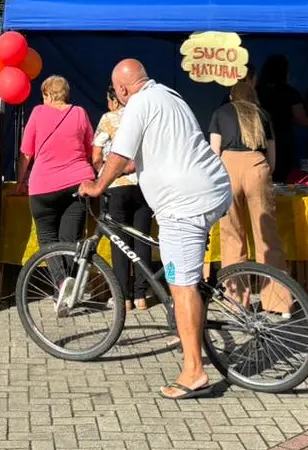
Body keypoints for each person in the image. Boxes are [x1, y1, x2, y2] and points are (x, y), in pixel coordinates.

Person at [80, 60, 231, 402]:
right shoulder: (169, 95)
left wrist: (98, 185)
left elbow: (119, 154)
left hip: (184, 203)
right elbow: (158, 150)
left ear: (121, 89)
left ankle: (194, 371)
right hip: (213, 189)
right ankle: (189, 332)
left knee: (181, 285)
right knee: (188, 276)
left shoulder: (137, 104)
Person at [209, 70, 292, 314]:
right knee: (267, 236)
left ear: (231, 95)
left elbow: (214, 154)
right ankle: (278, 303)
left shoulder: (220, 113)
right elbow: (273, 160)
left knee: (232, 235)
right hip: (257, 167)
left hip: (228, 169)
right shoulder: (263, 115)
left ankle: (237, 303)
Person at [93, 85, 154, 311]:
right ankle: (141, 296)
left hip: (116, 187)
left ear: (114, 99)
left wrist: (103, 173)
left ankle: (124, 298)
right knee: (142, 240)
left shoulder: (108, 119)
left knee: (119, 242)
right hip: (143, 186)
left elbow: (96, 154)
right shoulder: (144, 117)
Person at [17, 76, 94, 249]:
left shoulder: (38, 112)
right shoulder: (79, 112)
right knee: (71, 242)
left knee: (47, 240)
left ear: (49, 95)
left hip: (43, 186)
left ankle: (57, 269)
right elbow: (91, 149)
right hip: (77, 183)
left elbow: (26, 154)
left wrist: (20, 183)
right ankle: (71, 268)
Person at [258, 54, 308, 181]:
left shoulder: (256, 91)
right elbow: (302, 119)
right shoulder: (289, 93)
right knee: (280, 178)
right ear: (285, 72)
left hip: (258, 139)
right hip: (282, 141)